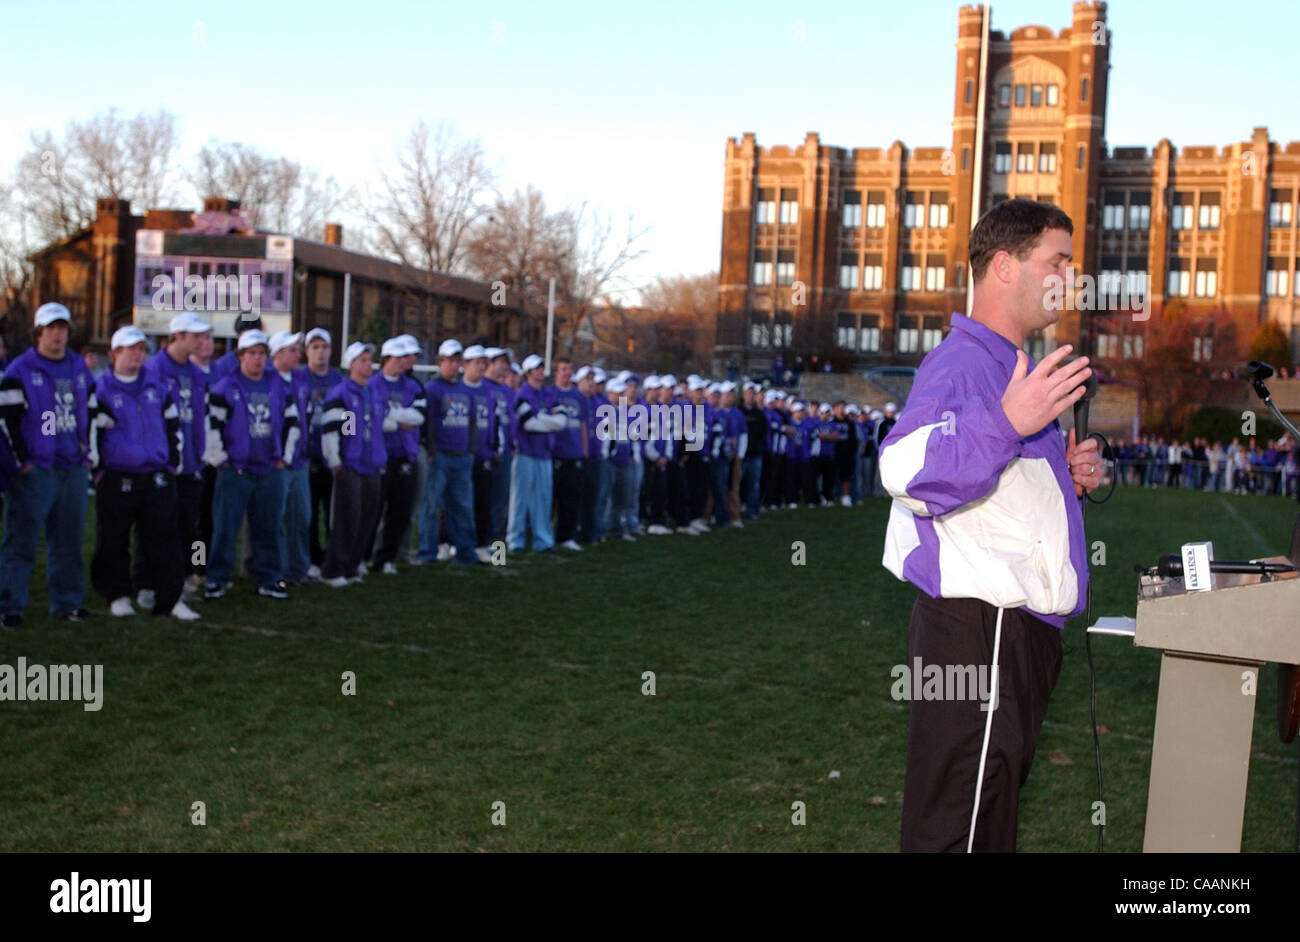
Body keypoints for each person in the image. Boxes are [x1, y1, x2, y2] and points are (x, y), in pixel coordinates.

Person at [879, 198, 1100, 853]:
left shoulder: (1005, 364)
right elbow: (905, 468)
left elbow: (993, 483)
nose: (1070, 277)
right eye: (1056, 261)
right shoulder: (964, 363)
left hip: (1008, 632)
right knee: (959, 829)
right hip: (982, 630)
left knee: (984, 820)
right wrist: (1008, 425)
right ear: (1005, 266)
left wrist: (1059, 475)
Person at [88, 326, 199, 621]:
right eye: (130, 348)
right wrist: (98, 471)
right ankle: (118, 595)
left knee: (165, 539)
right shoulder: (101, 389)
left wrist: (171, 463)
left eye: (141, 349)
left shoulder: (156, 386)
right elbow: (91, 434)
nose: (137, 354)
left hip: (157, 475)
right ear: (114, 352)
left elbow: (174, 426)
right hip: (116, 476)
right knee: (113, 540)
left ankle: (170, 599)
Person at [0, 302, 98, 627]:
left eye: (63, 328)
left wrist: (86, 453)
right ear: (38, 332)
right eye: (51, 328)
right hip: (38, 471)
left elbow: (92, 410)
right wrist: (23, 462)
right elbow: (8, 421)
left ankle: (66, 604)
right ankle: (9, 607)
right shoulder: (20, 370)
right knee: (21, 542)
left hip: (73, 467)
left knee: (69, 541)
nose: (58, 334)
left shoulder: (79, 368)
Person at [202, 329, 301, 600]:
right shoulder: (226, 386)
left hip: (270, 468)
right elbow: (212, 427)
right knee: (224, 527)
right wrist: (219, 459)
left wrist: (285, 457)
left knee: (268, 528)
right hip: (236, 469)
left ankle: (269, 578)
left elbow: (293, 422)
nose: (257, 359)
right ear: (240, 356)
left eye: (261, 354)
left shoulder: (278, 384)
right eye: (252, 354)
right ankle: (215, 577)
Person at [141, 312, 213, 603]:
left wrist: (200, 451)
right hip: (162, 462)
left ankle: (189, 576)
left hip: (192, 462)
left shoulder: (196, 373)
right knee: (155, 524)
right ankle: (146, 583)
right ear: (178, 336)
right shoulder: (154, 369)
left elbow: (198, 417)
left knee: (191, 525)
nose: (201, 341)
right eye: (196, 336)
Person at [319, 342, 387, 587]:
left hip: (372, 465)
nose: (369, 365)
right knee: (347, 518)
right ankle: (334, 569)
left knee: (367, 520)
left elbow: (377, 427)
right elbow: (336, 430)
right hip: (351, 465)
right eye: (363, 360)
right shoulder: (342, 394)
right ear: (351, 365)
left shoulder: (372, 393)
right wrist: (337, 460)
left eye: (370, 360)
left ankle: (352, 566)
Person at [418, 339, 480, 565]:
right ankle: (427, 552)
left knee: (462, 507)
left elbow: (472, 421)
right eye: (450, 361)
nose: (455, 366)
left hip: (461, 457)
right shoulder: (432, 389)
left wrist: (471, 450)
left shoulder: (465, 389)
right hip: (440, 455)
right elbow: (429, 422)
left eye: (457, 361)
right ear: (440, 362)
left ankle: (465, 552)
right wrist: (432, 450)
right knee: (431, 506)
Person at [368, 335, 425, 574]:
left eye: (405, 358)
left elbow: (419, 417)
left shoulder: (412, 386)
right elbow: (372, 420)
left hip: (405, 454)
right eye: (399, 358)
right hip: (377, 456)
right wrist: (399, 417)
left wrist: (390, 414)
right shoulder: (372, 385)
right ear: (387, 359)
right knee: (373, 510)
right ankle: (364, 556)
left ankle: (387, 558)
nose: (404, 363)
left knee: (400, 511)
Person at [507, 354, 567, 552]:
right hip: (524, 452)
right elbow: (528, 423)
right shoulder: (522, 394)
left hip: (544, 453)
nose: (541, 371)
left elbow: (562, 421)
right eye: (536, 368)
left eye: (542, 368)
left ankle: (543, 541)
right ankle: (515, 540)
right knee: (520, 499)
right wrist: (548, 422)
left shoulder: (549, 394)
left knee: (543, 499)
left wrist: (541, 419)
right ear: (528, 373)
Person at [299, 327, 344, 578]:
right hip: (308, 456)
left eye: (324, 347)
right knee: (308, 513)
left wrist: (346, 444)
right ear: (307, 352)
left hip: (333, 459)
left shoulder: (339, 381)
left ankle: (332, 557)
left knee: (333, 514)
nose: (320, 353)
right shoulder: (298, 379)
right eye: (315, 347)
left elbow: (350, 416)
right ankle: (311, 557)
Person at [269, 331, 313, 584]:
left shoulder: (300, 381)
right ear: (278, 353)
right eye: (292, 350)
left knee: (301, 517)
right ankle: (275, 570)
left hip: (300, 460)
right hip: (276, 462)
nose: (299, 354)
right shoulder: (268, 380)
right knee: (275, 520)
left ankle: (298, 569)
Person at [547, 356, 588, 551]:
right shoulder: (549, 393)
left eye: (569, 369)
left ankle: (566, 536)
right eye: (563, 369)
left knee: (571, 498)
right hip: (555, 453)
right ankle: (545, 534)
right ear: (556, 372)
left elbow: (582, 425)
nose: (567, 372)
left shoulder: (578, 396)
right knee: (550, 497)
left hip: (574, 454)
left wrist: (584, 452)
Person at [461, 345, 497, 563]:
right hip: (462, 454)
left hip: (484, 454)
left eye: (484, 363)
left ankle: (482, 544)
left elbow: (493, 422)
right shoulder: (459, 389)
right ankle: (448, 542)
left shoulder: (488, 391)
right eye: (477, 363)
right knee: (457, 503)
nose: (481, 367)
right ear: (466, 365)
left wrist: (492, 447)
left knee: (483, 502)